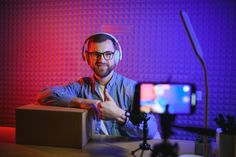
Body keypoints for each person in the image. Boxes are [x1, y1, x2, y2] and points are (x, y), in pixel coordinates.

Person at [37, 32, 159, 139]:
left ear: (117, 56)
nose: (101, 60)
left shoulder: (133, 88)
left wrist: (119, 115)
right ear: (87, 57)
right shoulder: (80, 86)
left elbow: (151, 130)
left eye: (108, 54)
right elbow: (44, 95)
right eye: (96, 54)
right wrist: (82, 102)